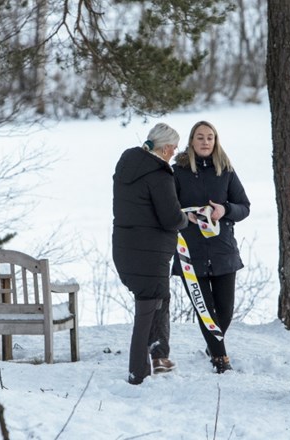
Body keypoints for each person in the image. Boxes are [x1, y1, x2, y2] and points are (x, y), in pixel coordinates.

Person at [112, 122, 188, 385]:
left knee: (160, 305)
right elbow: (169, 218)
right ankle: (137, 373)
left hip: (125, 249)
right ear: (166, 148)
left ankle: (161, 362)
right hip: (150, 253)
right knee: (147, 312)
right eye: (175, 149)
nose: (175, 153)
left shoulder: (127, 165)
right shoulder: (159, 174)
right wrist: (184, 219)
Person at [172, 120, 251, 374]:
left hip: (223, 252)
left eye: (210, 137)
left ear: (215, 142)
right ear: (191, 142)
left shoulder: (225, 170)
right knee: (205, 309)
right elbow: (167, 209)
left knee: (224, 312)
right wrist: (186, 216)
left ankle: (213, 345)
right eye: (200, 137)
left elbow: (244, 207)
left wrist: (224, 210)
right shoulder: (178, 172)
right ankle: (220, 359)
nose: (205, 142)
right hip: (189, 254)